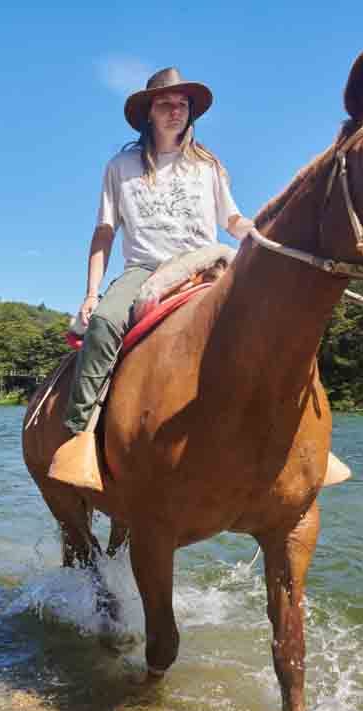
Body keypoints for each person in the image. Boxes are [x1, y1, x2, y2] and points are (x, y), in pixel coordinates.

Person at [48, 67, 254, 490]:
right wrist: (91, 293)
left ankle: (296, 438)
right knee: (104, 324)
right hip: (143, 268)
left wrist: (260, 234)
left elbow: (231, 219)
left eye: (182, 104)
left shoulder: (208, 165)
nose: (175, 110)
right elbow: (105, 231)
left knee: (274, 315)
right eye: (165, 104)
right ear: (149, 113)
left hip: (204, 262)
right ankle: (79, 437)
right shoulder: (120, 167)